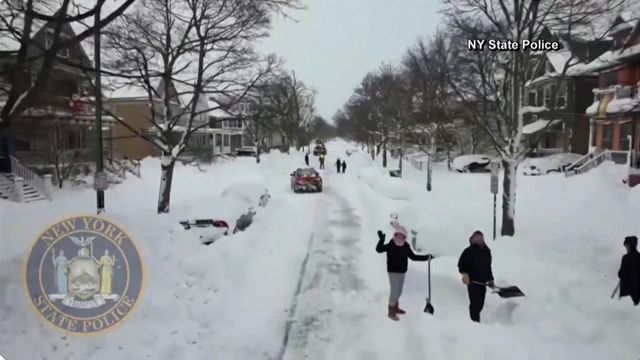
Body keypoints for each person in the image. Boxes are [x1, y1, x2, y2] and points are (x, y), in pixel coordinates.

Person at [376, 226, 433, 321]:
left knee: (399, 291)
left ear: (404, 237)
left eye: (401, 235)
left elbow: (413, 257)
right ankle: (391, 311)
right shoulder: (390, 245)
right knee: (394, 291)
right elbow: (379, 249)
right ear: (395, 235)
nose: (399, 237)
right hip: (392, 272)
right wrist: (381, 239)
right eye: (397, 235)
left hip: (402, 272)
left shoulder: (406, 246)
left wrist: (426, 257)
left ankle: (395, 307)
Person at [458, 230, 494, 323]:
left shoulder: (487, 251)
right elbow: (461, 265)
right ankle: (474, 322)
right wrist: (465, 275)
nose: (479, 240)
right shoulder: (468, 251)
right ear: (473, 239)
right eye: (477, 238)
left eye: (481, 238)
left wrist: (490, 279)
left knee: (480, 304)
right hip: (472, 282)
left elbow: (488, 267)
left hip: (482, 283)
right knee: (474, 304)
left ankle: (476, 320)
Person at [618, 235, 640, 306]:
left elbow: (621, 273)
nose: (626, 247)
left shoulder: (626, 258)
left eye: (627, 245)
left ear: (631, 246)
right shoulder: (636, 257)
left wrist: (621, 274)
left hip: (630, 291)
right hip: (633, 292)